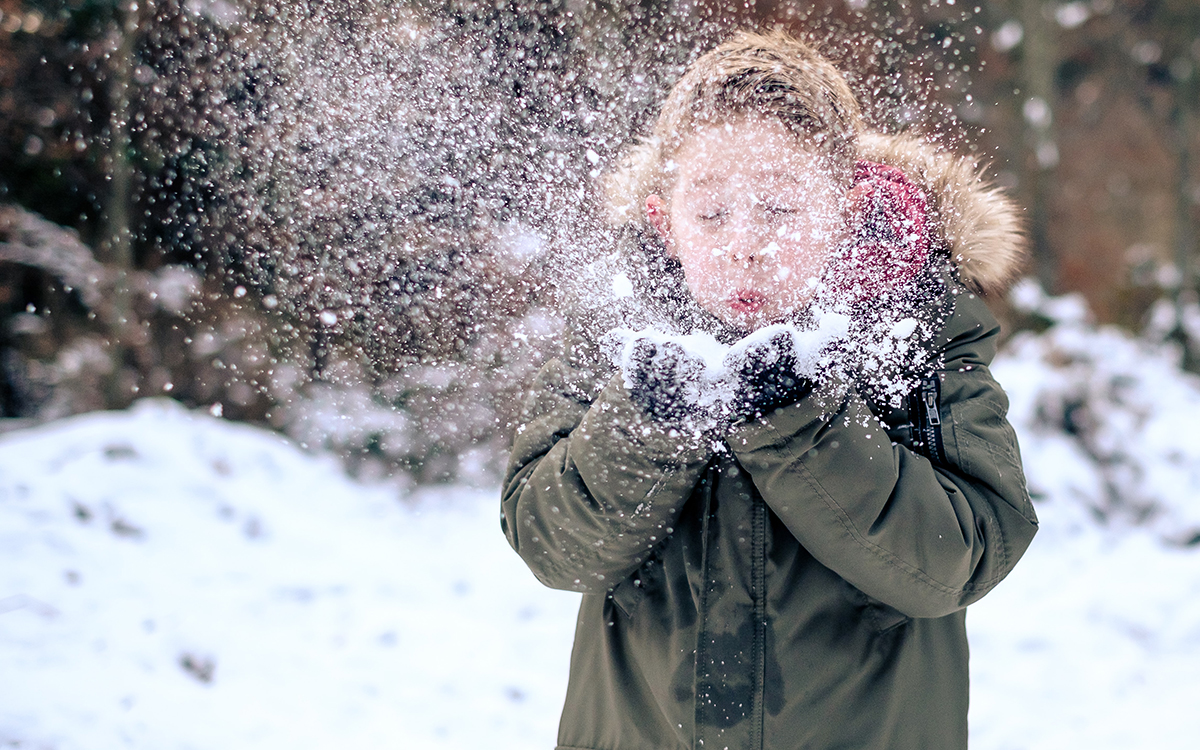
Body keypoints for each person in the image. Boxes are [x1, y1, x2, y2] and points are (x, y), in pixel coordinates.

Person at [501, 29, 1038, 750]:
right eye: (712, 212)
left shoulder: (913, 328)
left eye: (780, 209)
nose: (745, 241)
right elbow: (550, 544)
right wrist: (649, 422)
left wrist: (799, 418)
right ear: (666, 223)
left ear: (845, 212)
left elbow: (961, 558)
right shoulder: (621, 330)